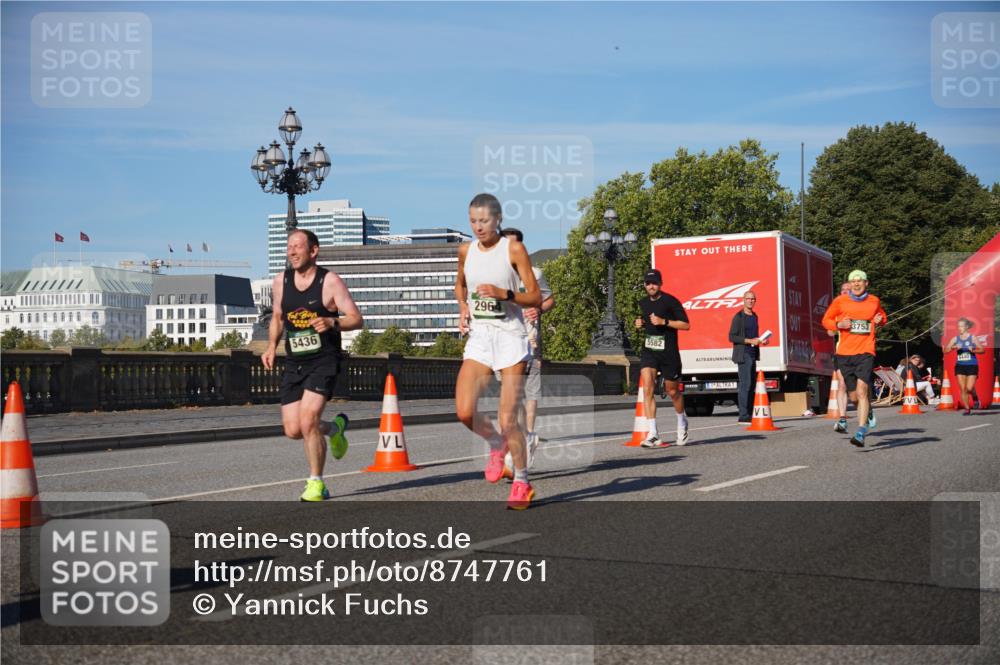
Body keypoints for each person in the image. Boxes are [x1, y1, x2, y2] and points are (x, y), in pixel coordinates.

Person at [454, 194, 542, 509]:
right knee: (464, 411)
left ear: (498, 219)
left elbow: (534, 296)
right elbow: (459, 284)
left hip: (510, 338)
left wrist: (504, 293)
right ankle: (495, 443)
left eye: (484, 221)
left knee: (508, 419)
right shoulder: (466, 250)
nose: (478, 227)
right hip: (480, 337)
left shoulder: (513, 249)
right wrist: (463, 306)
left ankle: (521, 481)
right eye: (473, 221)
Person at [262, 229, 363, 501]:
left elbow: (356, 318)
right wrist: (271, 345)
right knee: (293, 430)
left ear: (313, 251)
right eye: (289, 247)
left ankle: (316, 483)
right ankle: (334, 430)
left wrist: (333, 322)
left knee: (308, 420)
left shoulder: (329, 281)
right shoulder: (280, 281)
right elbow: (279, 317)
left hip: (324, 359)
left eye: (298, 247)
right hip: (295, 361)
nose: (292, 252)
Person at [497, 227, 555, 478]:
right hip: (504, 344)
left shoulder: (534, 273)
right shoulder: (495, 276)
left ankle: (528, 435)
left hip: (530, 342)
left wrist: (539, 309)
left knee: (529, 395)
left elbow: (550, 299)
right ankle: (523, 436)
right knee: (512, 399)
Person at [821, 269, 887, 447]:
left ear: (866, 283)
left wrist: (881, 320)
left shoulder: (874, 301)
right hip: (844, 353)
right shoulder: (840, 301)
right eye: (853, 281)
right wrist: (838, 324)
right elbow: (826, 320)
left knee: (862, 391)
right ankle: (868, 411)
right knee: (854, 397)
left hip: (866, 351)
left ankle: (860, 431)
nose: (857, 283)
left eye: (860, 280)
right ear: (849, 285)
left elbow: (882, 317)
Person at [634, 269, 691, 447]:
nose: (651, 286)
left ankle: (682, 423)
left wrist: (664, 322)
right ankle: (653, 433)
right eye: (648, 283)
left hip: (669, 353)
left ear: (660, 284)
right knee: (647, 389)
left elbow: (686, 325)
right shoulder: (642, 303)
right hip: (650, 351)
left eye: (655, 283)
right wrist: (639, 323)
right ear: (644, 285)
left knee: (673, 391)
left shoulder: (670, 301)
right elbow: (643, 321)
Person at [729, 290, 769, 423]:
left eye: (753, 299)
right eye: (748, 299)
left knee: (751, 384)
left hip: (752, 354)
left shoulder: (755, 316)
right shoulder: (738, 317)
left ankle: (750, 413)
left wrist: (761, 341)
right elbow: (732, 336)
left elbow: (754, 336)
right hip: (743, 354)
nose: (751, 301)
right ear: (743, 300)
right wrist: (750, 341)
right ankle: (743, 415)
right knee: (745, 384)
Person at [944, 317, 984, 415]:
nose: (959, 328)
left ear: (966, 327)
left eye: (961, 326)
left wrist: (973, 350)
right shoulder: (955, 339)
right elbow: (945, 350)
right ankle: (967, 408)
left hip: (972, 365)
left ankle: (975, 397)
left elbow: (982, 350)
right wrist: (954, 347)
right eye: (958, 326)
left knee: (969, 388)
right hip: (960, 365)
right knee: (963, 388)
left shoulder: (972, 338)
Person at [828, 282, 852, 431]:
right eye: (842, 290)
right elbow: (830, 332)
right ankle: (842, 418)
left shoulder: (861, 308)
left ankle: (867, 410)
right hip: (842, 352)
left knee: (859, 389)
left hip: (860, 351)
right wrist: (838, 326)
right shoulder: (837, 310)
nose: (844, 292)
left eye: (847, 290)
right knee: (842, 384)